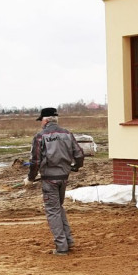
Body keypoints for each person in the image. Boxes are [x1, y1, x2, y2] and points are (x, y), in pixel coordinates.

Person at [25, 107, 85, 255]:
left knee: (52, 211)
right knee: (58, 207)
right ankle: (68, 241)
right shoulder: (67, 133)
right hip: (64, 177)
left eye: (41, 121)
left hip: (49, 179)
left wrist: (30, 178)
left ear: (45, 121)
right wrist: (75, 166)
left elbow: (35, 161)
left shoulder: (40, 136)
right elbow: (79, 154)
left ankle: (61, 247)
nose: (41, 124)